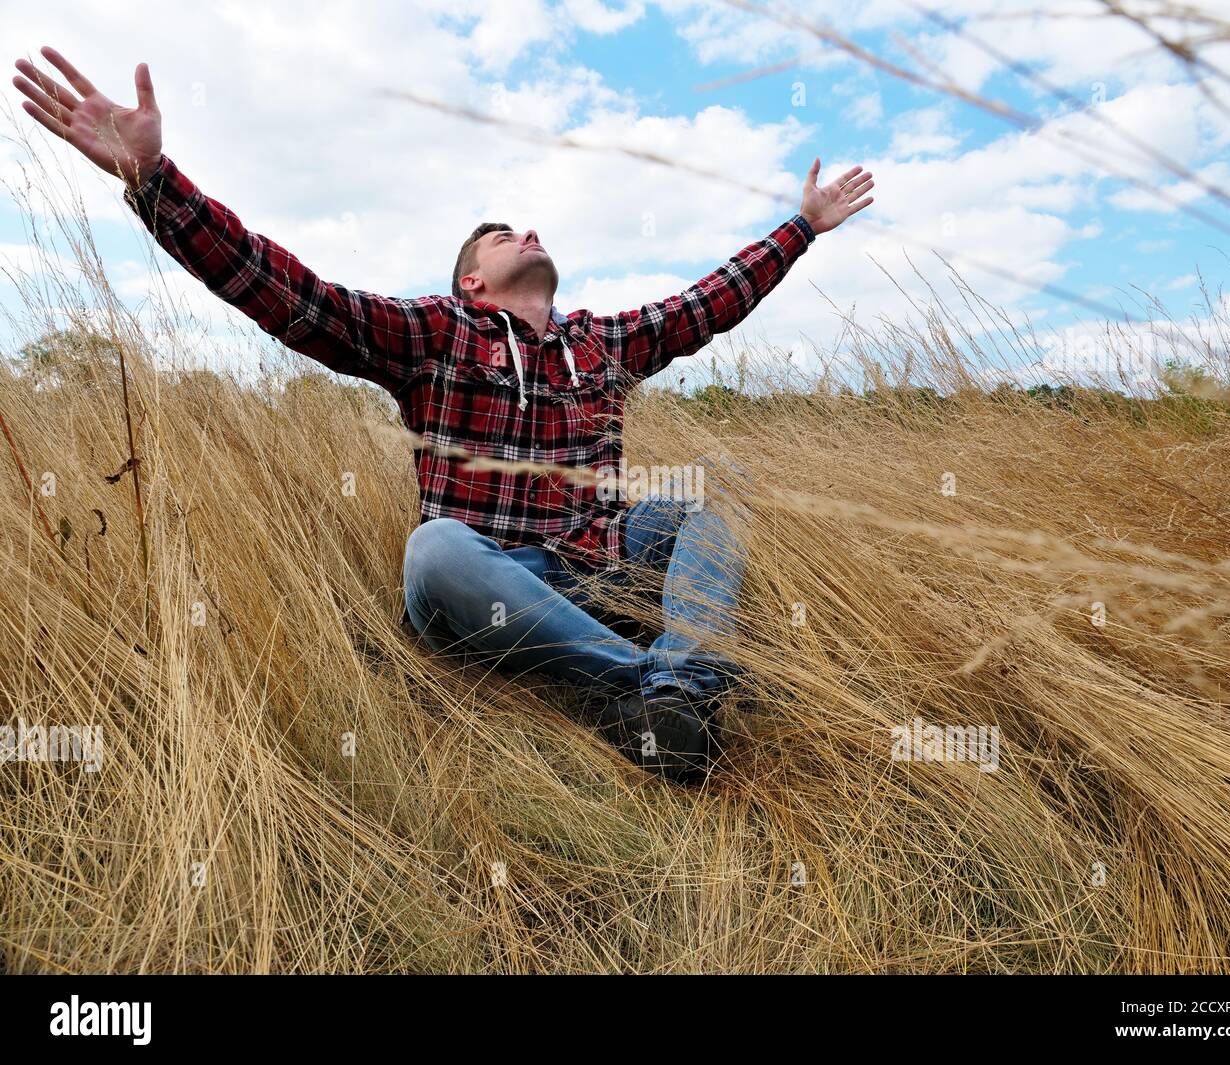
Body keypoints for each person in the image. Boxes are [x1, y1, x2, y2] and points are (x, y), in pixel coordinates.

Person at [13, 47, 876, 783]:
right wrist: (157, 185)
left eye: (528, 228)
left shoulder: (601, 342)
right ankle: (654, 687)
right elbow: (294, 298)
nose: (527, 232)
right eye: (504, 236)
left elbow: (708, 302)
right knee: (433, 546)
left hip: (601, 565)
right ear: (472, 280)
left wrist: (802, 226)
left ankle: (679, 689)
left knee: (717, 482)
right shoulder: (434, 331)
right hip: (489, 581)